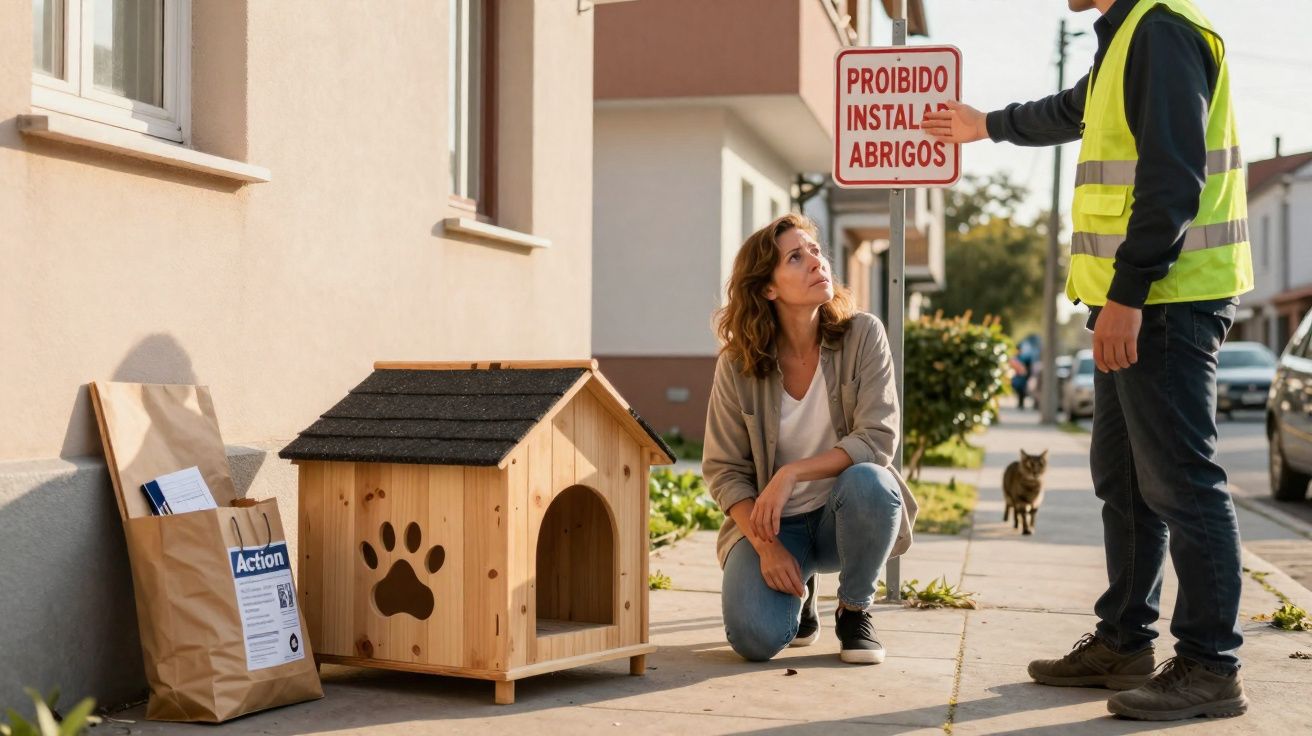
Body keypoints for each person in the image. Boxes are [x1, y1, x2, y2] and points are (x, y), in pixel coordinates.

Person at [924, 0, 1251, 721]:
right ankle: (1124, 641)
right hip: (1132, 302)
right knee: (1125, 480)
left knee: (1182, 482)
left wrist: (1129, 294)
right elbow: (1072, 111)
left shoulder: (1161, 30)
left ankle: (1209, 665)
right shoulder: (1125, 37)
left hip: (1164, 302)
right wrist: (987, 126)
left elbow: (1174, 175)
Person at [702, 213, 918, 665]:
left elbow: (878, 438)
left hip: (845, 516)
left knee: (871, 482)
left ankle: (854, 609)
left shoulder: (863, 334)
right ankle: (803, 597)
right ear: (768, 288)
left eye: (815, 251)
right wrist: (766, 547)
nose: (816, 262)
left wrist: (791, 473)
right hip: (774, 525)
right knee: (754, 640)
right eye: (795, 257)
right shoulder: (738, 364)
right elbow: (724, 470)